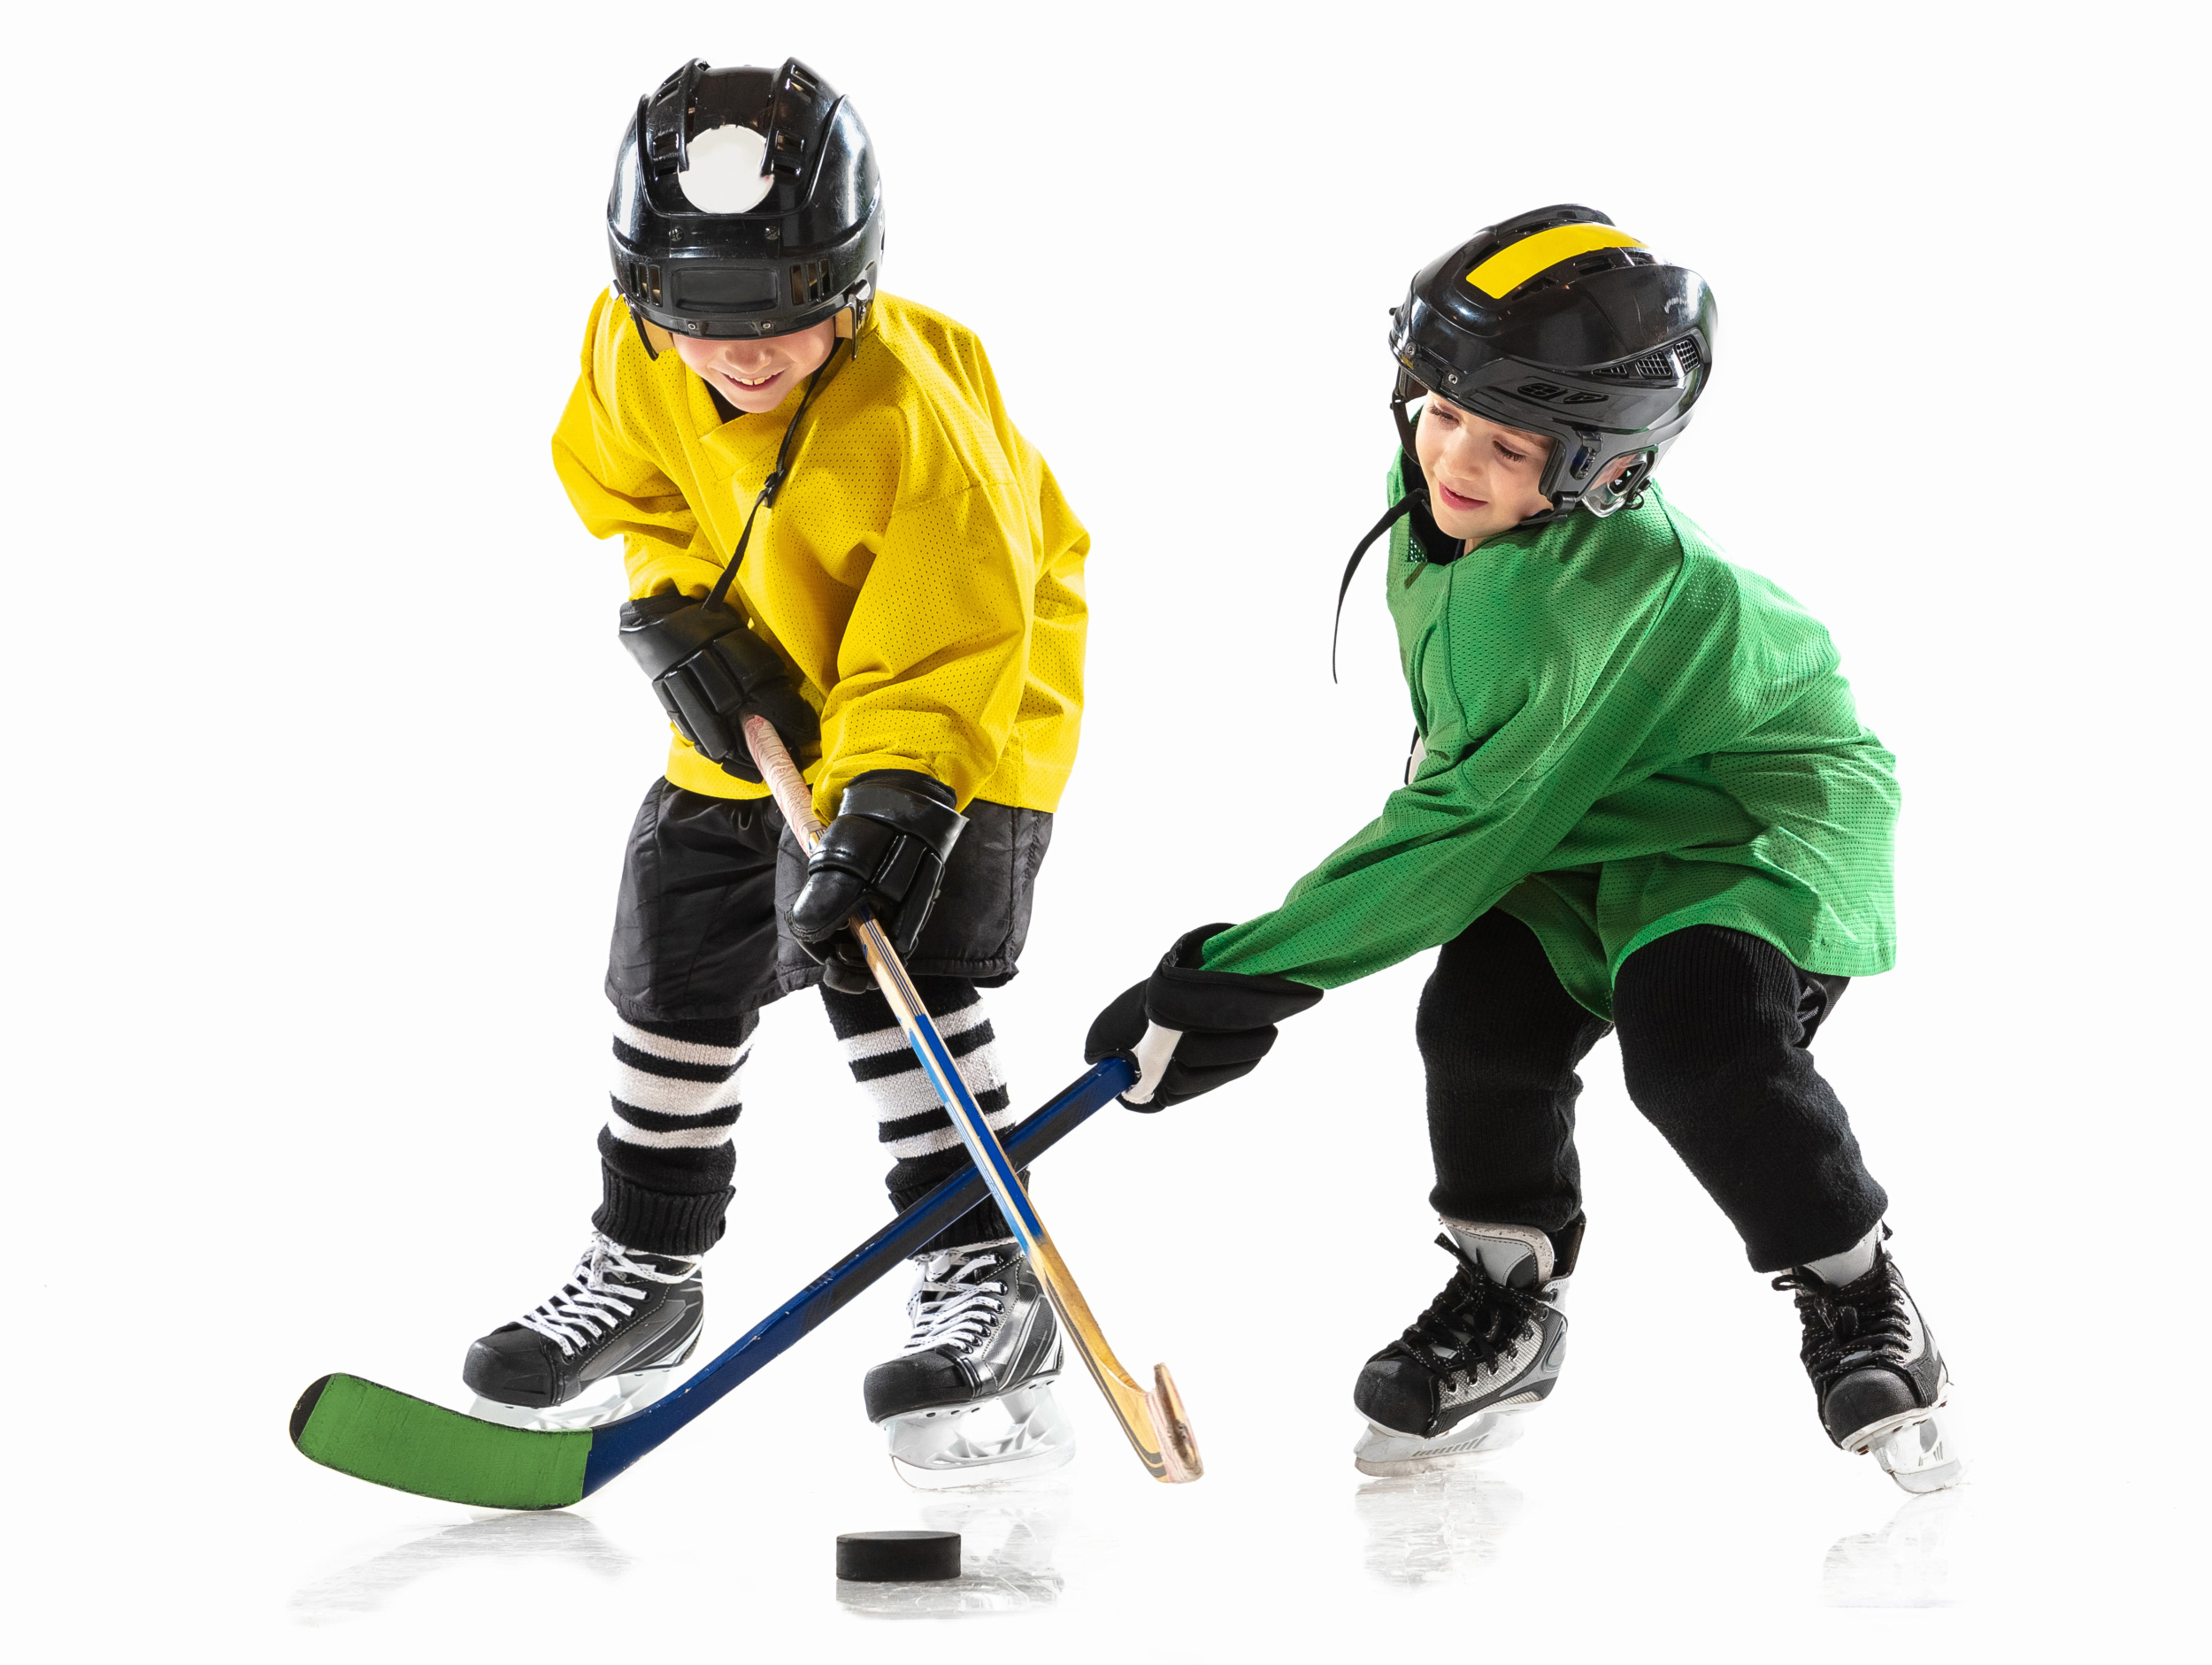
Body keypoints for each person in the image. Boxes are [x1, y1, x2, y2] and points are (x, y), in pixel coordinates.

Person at [1087, 205, 1962, 1494]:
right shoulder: (1443, 498)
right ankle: (1507, 1302)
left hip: (1748, 820)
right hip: (1579, 808)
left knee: (1697, 1035)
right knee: (1480, 1022)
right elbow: (1482, 787)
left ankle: (1856, 1288)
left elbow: (1460, 829)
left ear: (1603, 470)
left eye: (1506, 443)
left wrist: (1241, 972)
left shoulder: (1568, 604)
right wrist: (1258, 971)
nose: (1452, 458)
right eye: (1438, 409)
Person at [461, 58, 1090, 1489]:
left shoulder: (918, 425)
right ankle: (650, 1266)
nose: (742, 354)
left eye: (787, 318)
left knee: (891, 958)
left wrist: (889, 801)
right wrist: (674, 606)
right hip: (762, 679)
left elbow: (948, 638)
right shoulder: (638, 343)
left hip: (960, 705)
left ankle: (992, 1268)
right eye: (701, 321)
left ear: (853, 279)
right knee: (682, 938)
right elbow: (635, 492)